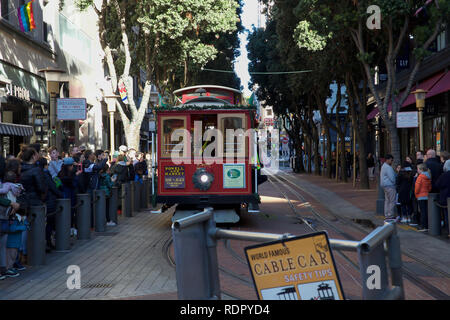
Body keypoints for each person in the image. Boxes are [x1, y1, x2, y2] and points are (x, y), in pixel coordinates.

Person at [39, 158, 63, 252]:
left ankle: (48, 242)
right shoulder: (45, 174)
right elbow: (52, 187)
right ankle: (47, 242)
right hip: (49, 200)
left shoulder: (40, 173)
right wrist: (61, 194)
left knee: (48, 223)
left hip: (47, 200)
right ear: (46, 165)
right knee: (49, 223)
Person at [380, 154, 398, 221]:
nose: (392, 161)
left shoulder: (383, 166)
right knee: (392, 201)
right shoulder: (388, 167)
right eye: (391, 160)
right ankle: (390, 215)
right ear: (388, 159)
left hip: (385, 186)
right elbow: (392, 178)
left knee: (387, 201)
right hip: (390, 186)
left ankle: (387, 214)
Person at [415, 163, 432, 232]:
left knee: (422, 212)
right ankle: (427, 225)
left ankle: (423, 226)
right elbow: (430, 188)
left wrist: (416, 194)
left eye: (418, 169)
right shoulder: (428, 176)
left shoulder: (420, 177)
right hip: (426, 195)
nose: (417, 170)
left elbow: (417, 187)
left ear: (421, 169)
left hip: (420, 196)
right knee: (426, 211)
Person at [436, 159, 450, 237]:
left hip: (445, 197)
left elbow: (437, 184)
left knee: (447, 215)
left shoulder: (444, 175)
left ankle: (448, 231)